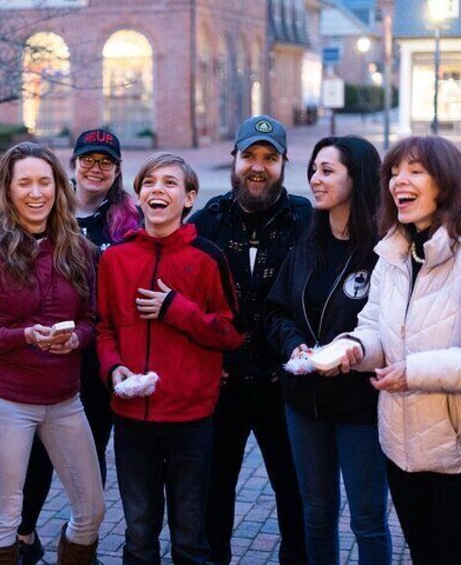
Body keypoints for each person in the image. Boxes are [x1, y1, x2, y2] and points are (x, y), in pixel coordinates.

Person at [336, 135, 461, 564]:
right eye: (393, 172)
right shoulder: (395, 249)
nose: (397, 181)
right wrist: (352, 348)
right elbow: (375, 326)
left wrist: (414, 371)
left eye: (414, 171)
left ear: (445, 182)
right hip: (403, 446)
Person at [0, 142, 105, 565]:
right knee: (6, 519)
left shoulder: (77, 247)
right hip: (7, 401)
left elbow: (93, 319)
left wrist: (77, 337)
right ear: (8, 189)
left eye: (45, 182)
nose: (36, 192)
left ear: (59, 187)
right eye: (25, 183)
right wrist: (25, 336)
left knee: (91, 511)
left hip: (64, 399)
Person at [97, 152, 243, 564]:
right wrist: (112, 369)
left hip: (190, 420)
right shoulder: (115, 258)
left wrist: (175, 309)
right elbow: (104, 328)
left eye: (170, 183)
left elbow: (230, 334)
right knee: (139, 533)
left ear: (190, 198)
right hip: (132, 419)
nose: (157, 189)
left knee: (189, 536)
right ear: (138, 196)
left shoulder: (208, 257)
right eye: (148, 183)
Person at [190, 115, 310, 564]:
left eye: (269, 158)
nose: (258, 167)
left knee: (293, 491)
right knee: (213, 492)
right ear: (234, 159)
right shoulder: (207, 222)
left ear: (283, 163)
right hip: (222, 386)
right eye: (249, 157)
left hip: (285, 385)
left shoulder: (305, 220)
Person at [264, 136, 390, 564]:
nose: (315, 180)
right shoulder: (306, 244)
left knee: (367, 520)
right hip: (303, 404)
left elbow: (394, 328)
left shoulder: (384, 251)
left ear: (358, 178)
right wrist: (292, 343)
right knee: (316, 514)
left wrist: (352, 353)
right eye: (313, 170)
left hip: (360, 405)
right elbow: (276, 310)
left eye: (328, 171)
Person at [15, 129, 139, 564]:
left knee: (89, 448)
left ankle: (81, 537)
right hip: (43, 350)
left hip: (98, 352)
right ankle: (24, 535)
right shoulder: (46, 209)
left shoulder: (129, 220)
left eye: (106, 161)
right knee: (35, 450)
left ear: (118, 169)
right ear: (73, 165)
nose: (95, 168)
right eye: (88, 159)